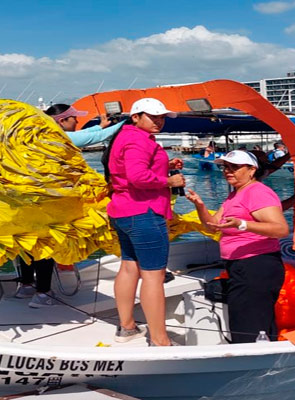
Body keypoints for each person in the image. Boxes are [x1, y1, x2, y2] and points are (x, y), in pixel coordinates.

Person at [15, 104, 126, 308]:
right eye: (74, 118)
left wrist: (99, 126)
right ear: (61, 121)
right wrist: (127, 123)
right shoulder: (53, 135)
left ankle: (26, 285)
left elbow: (83, 135)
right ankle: (42, 293)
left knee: (29, 242)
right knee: (49, 243)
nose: (77, 121)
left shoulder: (38, 131)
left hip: (30, 199)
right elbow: (89, 139)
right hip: (49, 201)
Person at [186, 150, 289, 343]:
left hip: (257, 265)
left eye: (234, 167)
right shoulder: (235, 195)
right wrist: (200, 206)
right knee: (249, 323)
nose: (228, 171)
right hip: (240, 266)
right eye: (225, 167)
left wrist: (242, 224)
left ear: (252, 170)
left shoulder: (257, 192)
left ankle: (255, 365)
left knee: (249, 327)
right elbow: (213, 225)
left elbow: (281, 229)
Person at [107, 98, 185, 346]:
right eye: (153, 116)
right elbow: (138, 176)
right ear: (136, 117)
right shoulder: (138, 140)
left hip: (123, 211)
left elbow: (129, 170)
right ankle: (160, 339)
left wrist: (165, 165)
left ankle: (127, 327)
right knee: (153, 275)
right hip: (144, 212)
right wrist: (168, 182)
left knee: (129, 267)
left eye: (161, 117)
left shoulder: (127, 137)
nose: (159, 121)